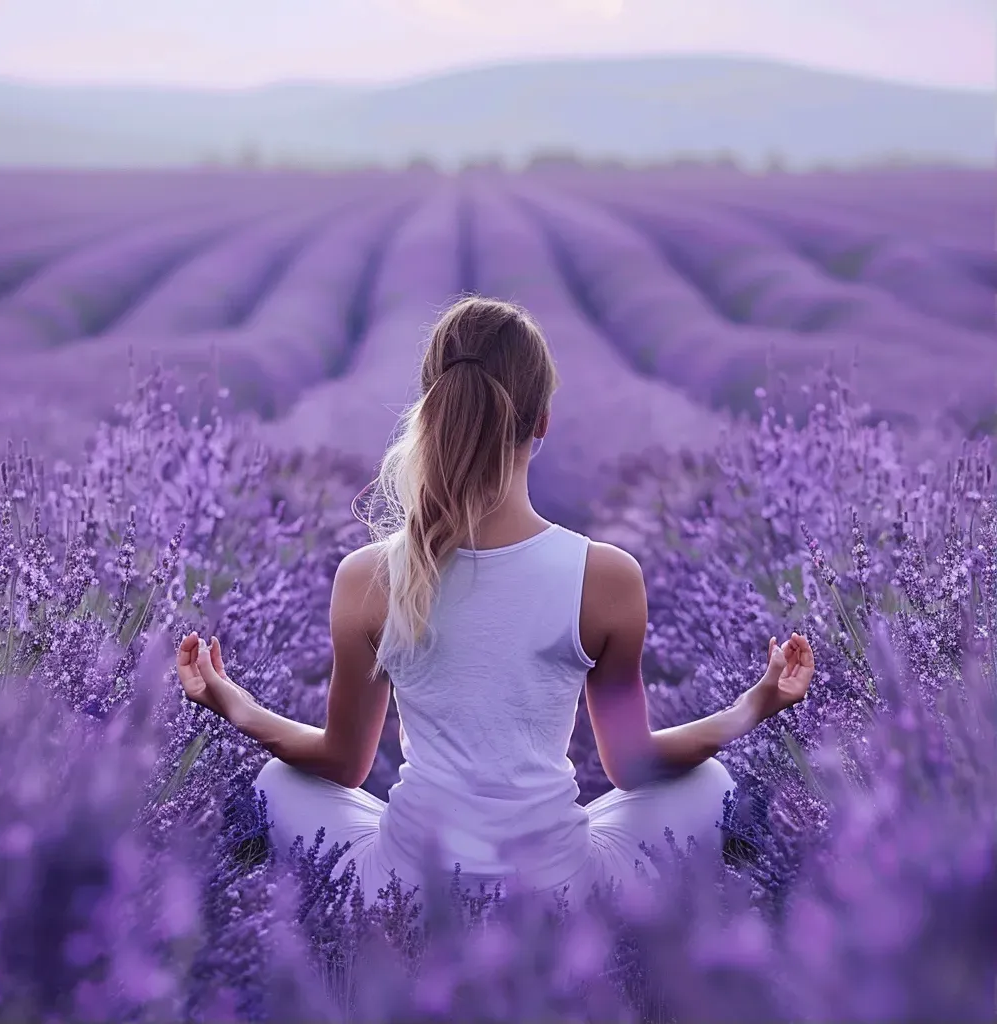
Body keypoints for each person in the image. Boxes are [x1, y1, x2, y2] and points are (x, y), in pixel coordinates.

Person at [176, 296, 814, 907]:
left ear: (433, 409)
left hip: (403, 887)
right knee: (709, 786)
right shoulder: (607, 576)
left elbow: (342, 764)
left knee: (276, 786)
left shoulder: (369, 575)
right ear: (542, 423)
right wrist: (756, 703)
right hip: (560, 889)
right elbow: (631, 763)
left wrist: (234, 702)